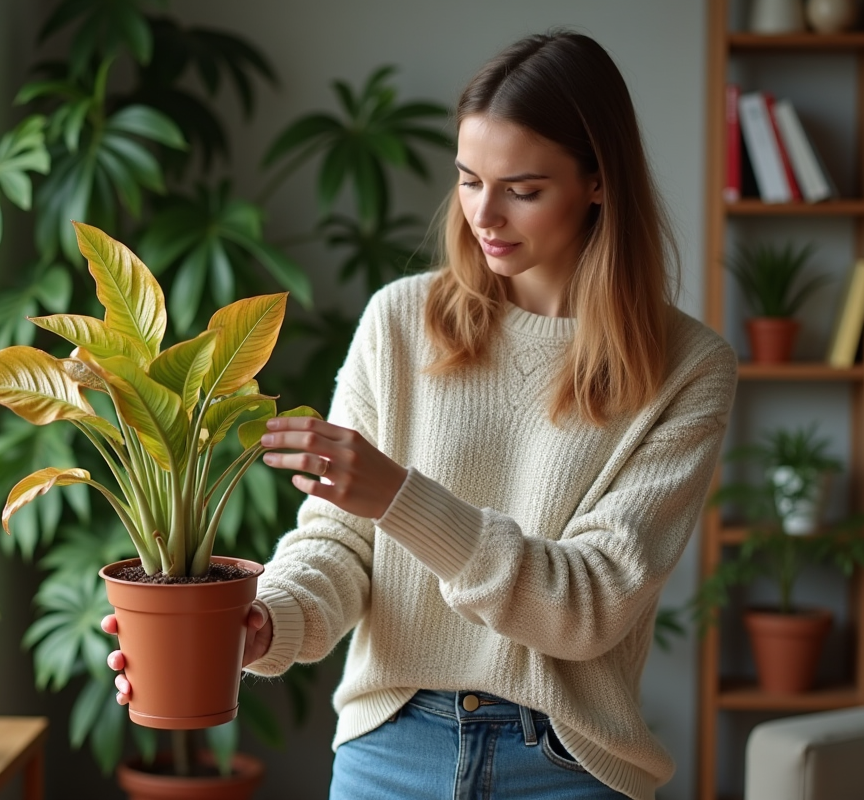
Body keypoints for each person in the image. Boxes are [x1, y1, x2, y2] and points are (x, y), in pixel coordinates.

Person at [103, 29, 737, 800]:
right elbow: (337, 542)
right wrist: (266, 622)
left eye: (523, 189)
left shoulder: (687, 368)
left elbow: (591, 606)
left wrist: (401, 499)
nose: (485, 215)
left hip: (566, 765)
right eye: (470, 180)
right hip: (392, 749)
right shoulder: (400, 321)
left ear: (598, 181)